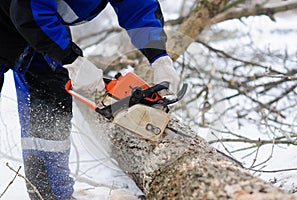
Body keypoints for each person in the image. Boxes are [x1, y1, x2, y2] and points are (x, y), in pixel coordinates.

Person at [0, 0, 180, 199]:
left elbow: (137, 4)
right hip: (19, 19)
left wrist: (159, 56)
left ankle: (51, 196)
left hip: (42, 33)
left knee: (51, 110)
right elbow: (29, 9)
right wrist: (71, 60)